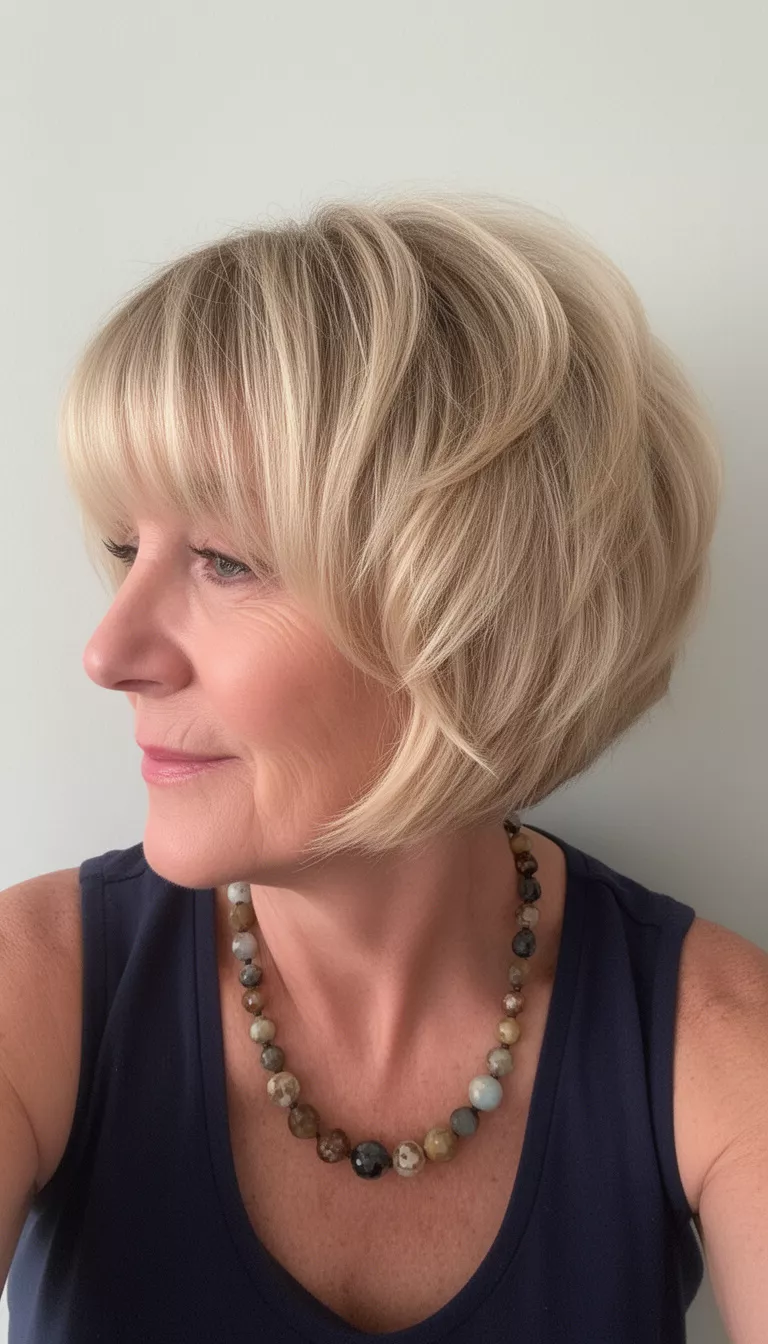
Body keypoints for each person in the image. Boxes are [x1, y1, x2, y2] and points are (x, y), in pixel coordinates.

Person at [2, 192, 766, 1343]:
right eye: (125, 549)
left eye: (223, 559)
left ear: (470, 612)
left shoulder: (712, 1037)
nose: (110, 652)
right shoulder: (41, 989)